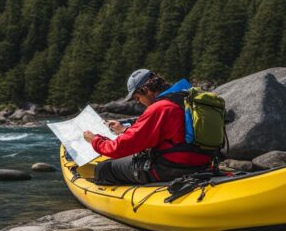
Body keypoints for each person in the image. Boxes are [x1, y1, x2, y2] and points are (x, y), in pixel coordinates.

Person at [83, 69, 211, 184]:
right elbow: (175, 135)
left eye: (138, 98)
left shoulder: (160, 108)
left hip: (171, 167)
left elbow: (120, 148)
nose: (138, 102)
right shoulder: (185, 98)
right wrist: (124, 130)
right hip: (203, 162)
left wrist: (95, 140)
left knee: (103, 168)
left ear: (146, 90)